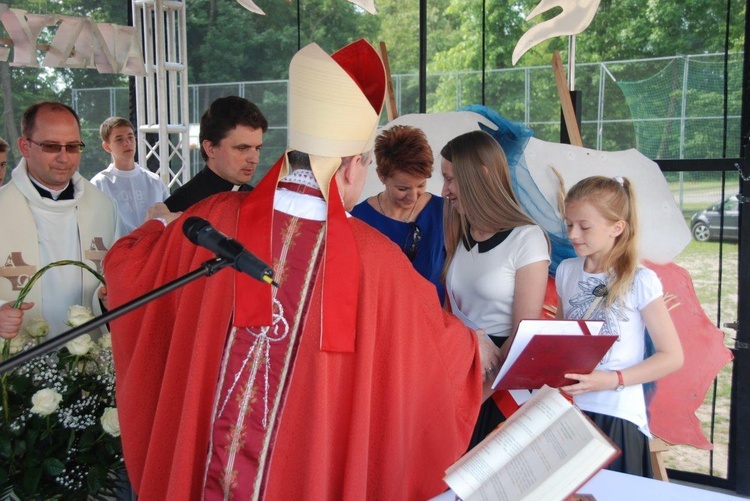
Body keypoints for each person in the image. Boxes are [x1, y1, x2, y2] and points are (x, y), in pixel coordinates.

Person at [105, 40, 500, 500]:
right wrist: (473, 343)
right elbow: (434, 349)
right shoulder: (378, 258)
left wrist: (159, 221)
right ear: (353, 166)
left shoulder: (211, 219)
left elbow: (126, 265)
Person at [556, 175, 683, 477]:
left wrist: (613, 379)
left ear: (617, 227)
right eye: (569, 224)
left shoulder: (641, 280)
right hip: (570, 412)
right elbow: (563, 338)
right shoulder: (565, 270)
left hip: (617, 415)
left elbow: (672, 356)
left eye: (584, 226)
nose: (573, 234)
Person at [441, 130, 550, 449]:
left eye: (451, 179)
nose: (444, 190)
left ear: (482, 175)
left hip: (501, 387)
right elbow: (450, 315)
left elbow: (524, 333)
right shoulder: (459, 233)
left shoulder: (527, 238)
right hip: (461, 371)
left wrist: (473, 397)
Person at [0, 101, 120, 339]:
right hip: (18, 363)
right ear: (25, 146)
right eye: (51, 146)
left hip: (90, 361)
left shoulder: (105, 207)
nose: (64, 158)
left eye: (73, 147)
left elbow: (116, 274)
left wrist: (108, 296)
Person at [351, 125, 446, 303]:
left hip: (436, 323)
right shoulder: (357, 218)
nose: (412, 196)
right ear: (381, 176)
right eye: (402, 188)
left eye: (420, 186)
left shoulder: (444, 212)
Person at [162, 95, 268, 212]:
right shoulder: (181, 206)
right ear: (210, 148)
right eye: (242, 148)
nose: (255, 159)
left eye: (258, 148)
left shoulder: (258, 200)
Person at [91, 116, 169, 233]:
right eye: (119, 139)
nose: (127, 143)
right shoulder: (99, 184)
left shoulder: (154, 181)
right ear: (107, 146)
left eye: (130, 137)